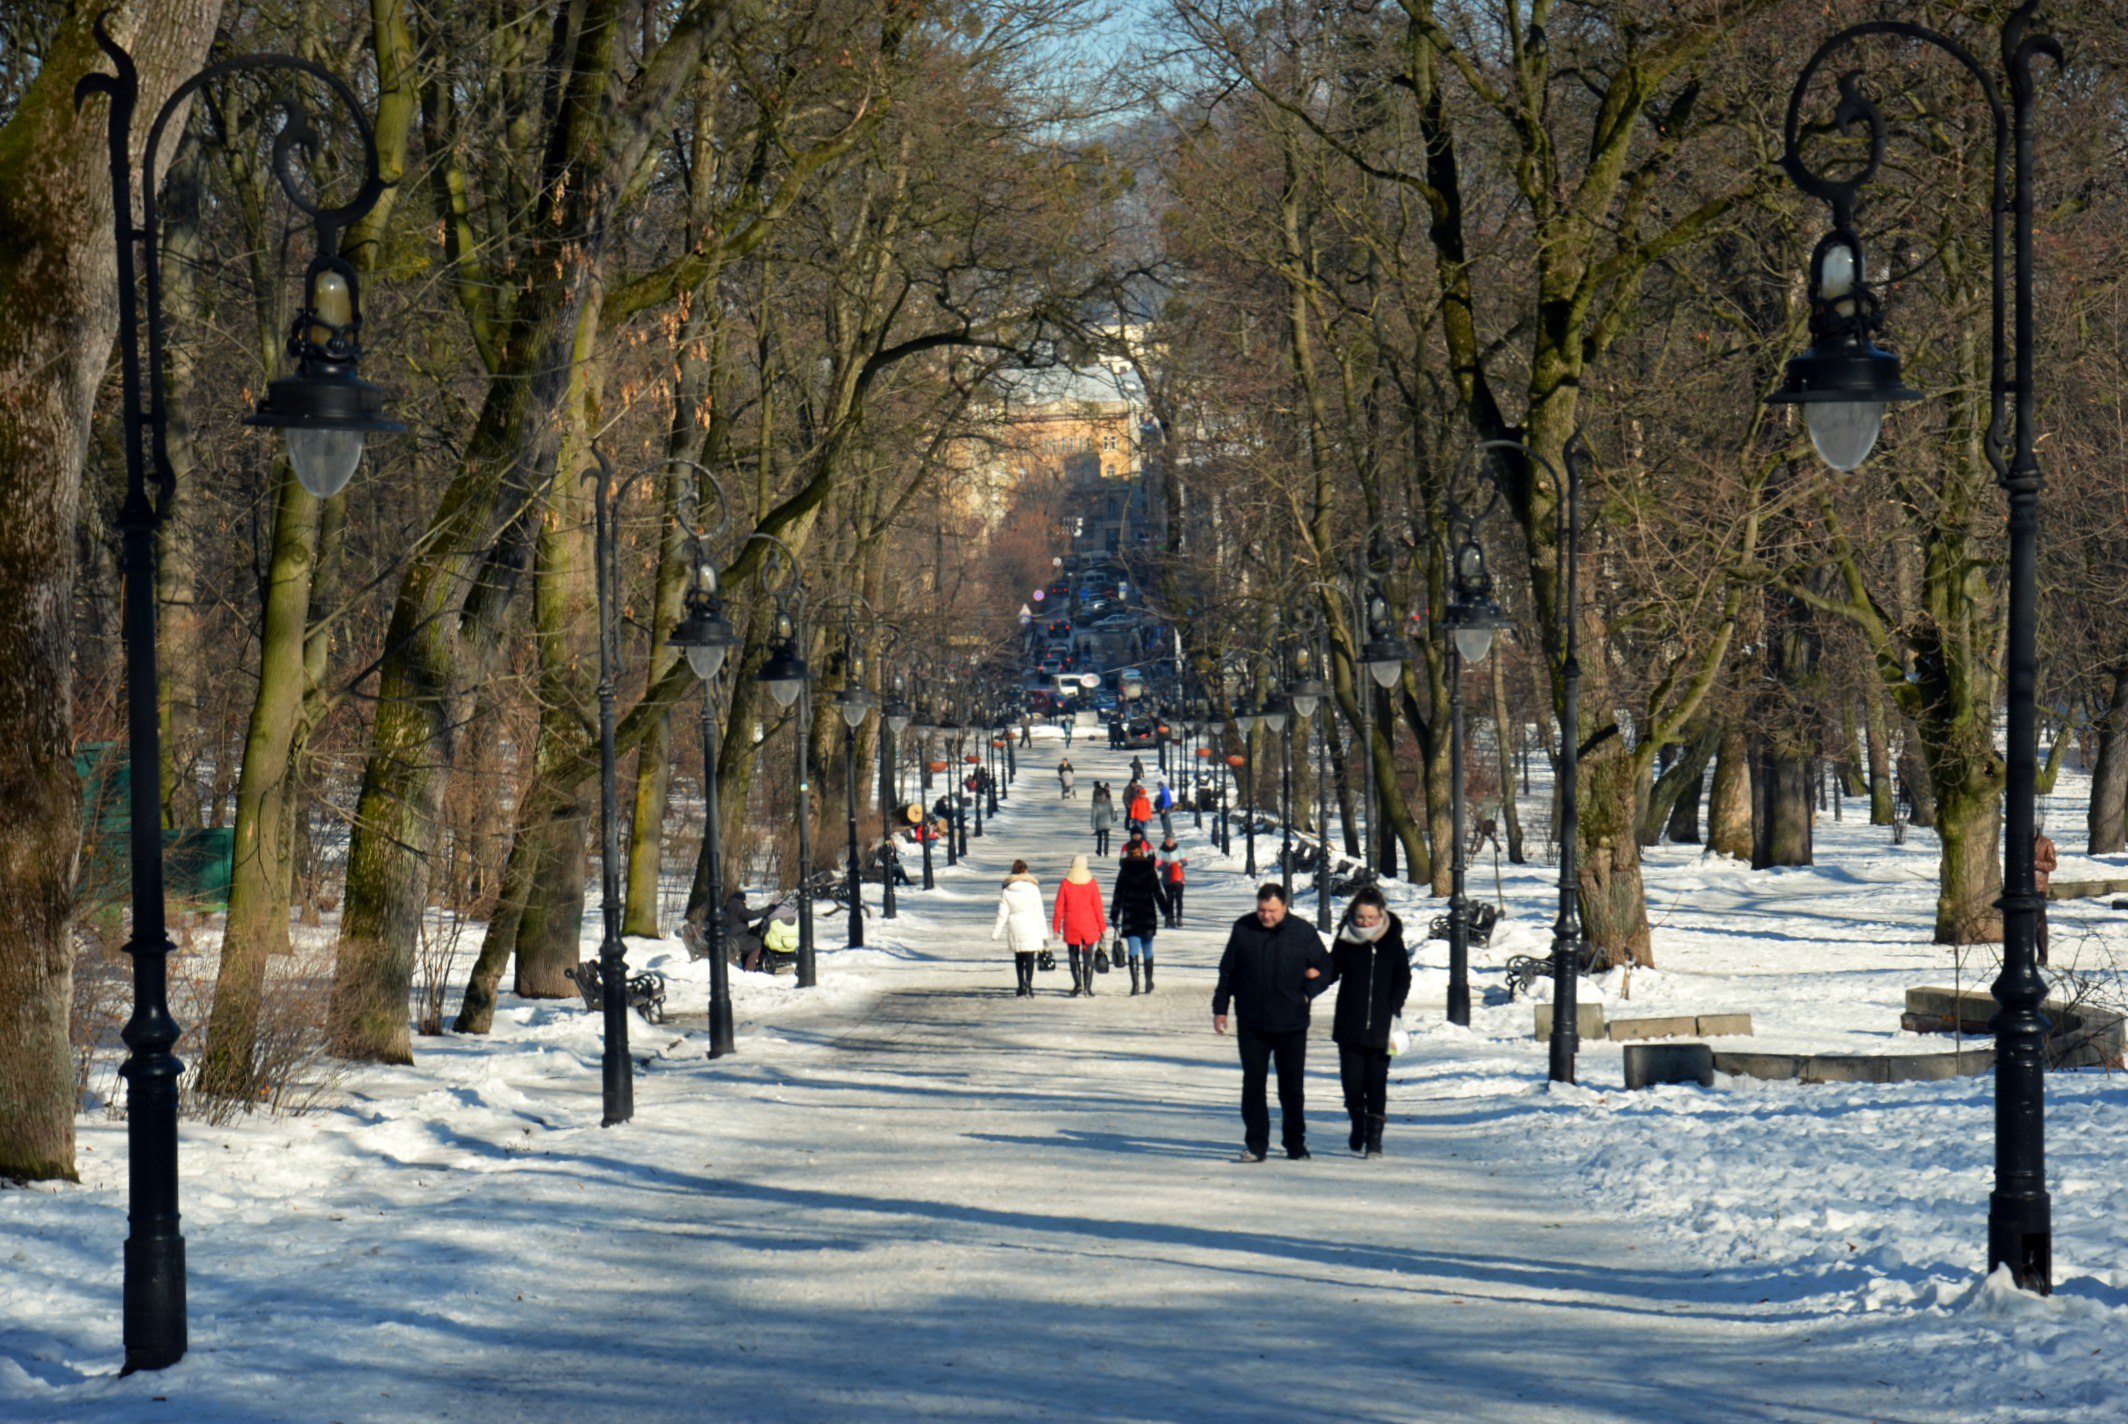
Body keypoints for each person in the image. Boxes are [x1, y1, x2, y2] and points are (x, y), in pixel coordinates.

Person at [1212, 884, 1333, 1161]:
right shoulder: (1243, 928)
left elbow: (1327, 967)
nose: (1265, 916)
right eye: (1261, 910)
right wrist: (1221, 1009)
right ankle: (1256, 1144)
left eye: (1271, 911)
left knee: (1291, 1087)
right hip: (1252, 1021)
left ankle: (1295, 1143)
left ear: (1285, 907)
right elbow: (1227, 971)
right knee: (1253, 1084)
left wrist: (1308, 992)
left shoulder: (1302, 932)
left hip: (1291, 1022)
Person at [1325, 887, 1411, 1158]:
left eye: (1370, 918)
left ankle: (1374, 1138)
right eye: (1360, 917)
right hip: (1350, 1023)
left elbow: (1403, 977)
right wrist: (1307, 980)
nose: (1364, 923)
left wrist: (1394, 1004)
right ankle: (1357, 1122)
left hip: (1382, 1026)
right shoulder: (1345, 939)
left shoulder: (1392, 941)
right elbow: (1331, 970)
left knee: (1376, 1082)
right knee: (1351, 1084)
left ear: (1381, 915)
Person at [1110, 842, 1172, 995]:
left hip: (1130, 914)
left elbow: (1118, 895)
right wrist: (1166, 911)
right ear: (1142, 853)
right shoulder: (1149, 870)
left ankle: (1135, 985)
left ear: (1130, 853)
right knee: (1148, 949)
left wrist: (1114, 915)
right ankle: (1148, 981)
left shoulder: (1124, 871)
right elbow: (1158, 892)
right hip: (1147, 913)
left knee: (1133, 950)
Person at [991, 859, 1049, 997]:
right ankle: (1028, 984)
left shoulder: (1007, 890)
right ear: (1026, 871)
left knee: (1019, 957)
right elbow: (1039, 912)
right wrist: (1044, 934)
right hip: (1031, 925)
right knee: (1030, 957)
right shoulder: (1033, 888)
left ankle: (1020, 985)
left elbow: (1002, 913)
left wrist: (996, 932)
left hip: (1015, 926)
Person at [1052, 853, 1108, 997]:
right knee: (1088, 957)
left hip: (1072, 923)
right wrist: (1102, 927)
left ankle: (1077, 984)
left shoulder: (1065, 883)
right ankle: (1088, 988)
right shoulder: (1092, 883)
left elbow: (1059, 907)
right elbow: (1098, 908)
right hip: (1089, 924)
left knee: (1073, 955)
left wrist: (1056, 927)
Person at [2035, 824, 2058, 966]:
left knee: (2039, 923)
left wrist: (2036, 863)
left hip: (2039, 887)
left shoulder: (2046, 843)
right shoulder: (2021, 842)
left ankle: (2043, 956)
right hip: (2023, 887)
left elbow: (2052, 864)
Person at [1157, 836, 1187, 927]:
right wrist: (1166, 866)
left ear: (1174, 841)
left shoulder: (1180, 850)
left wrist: (1180, 863)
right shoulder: (1161, 851)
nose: (1169, 842)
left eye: (1171, 840)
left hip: (1178, 877)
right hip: (1167, 879)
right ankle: (1169, 919)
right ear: (1165, 841)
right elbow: (1157, 865)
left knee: (1179, 898)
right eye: (1167, 840)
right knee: (1169, 899)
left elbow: (1185, 861)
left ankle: (1179, 917)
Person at [1091, 788, 1115, 857]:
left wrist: (1093, 824)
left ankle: (1099, 851)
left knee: (1100, 838)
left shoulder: (1096, 804)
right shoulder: (1108, 802)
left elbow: (1094, 815)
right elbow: (1112, 812)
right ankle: (1106, 851)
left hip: (1099, 824)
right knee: (1107, 838)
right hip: (1107, 823)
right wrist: (1112, 819)